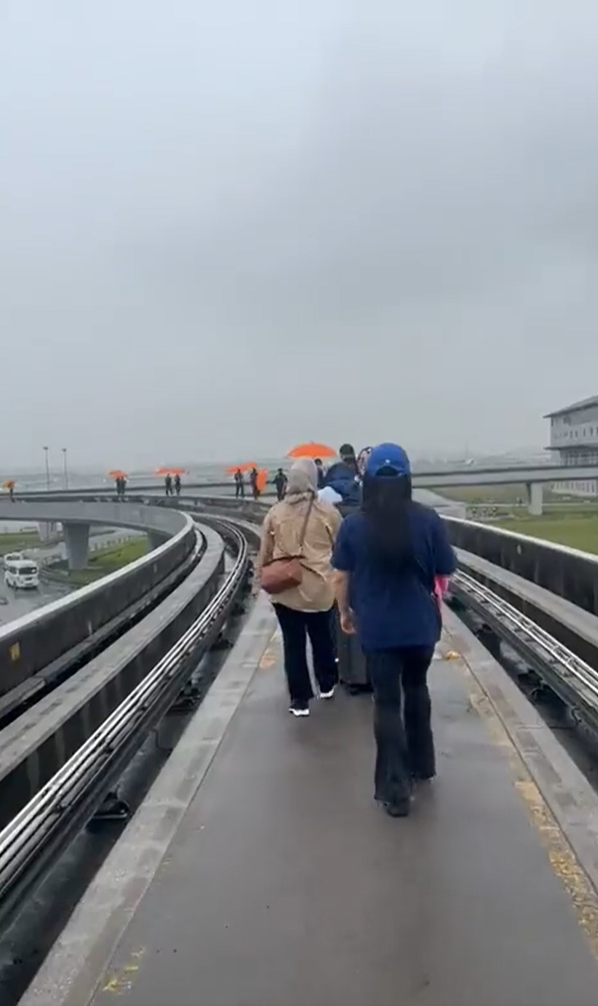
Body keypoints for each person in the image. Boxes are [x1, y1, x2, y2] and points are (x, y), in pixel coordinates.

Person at [331, 442, 456, 817]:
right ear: (407, 480)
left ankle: (395, 789)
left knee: (387, 703)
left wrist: (345, 612)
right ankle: (422, 765)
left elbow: (340, 577)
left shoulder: (353, 525)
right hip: (420, 626)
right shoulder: (428, 519)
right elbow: (444, 569)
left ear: (367, 480)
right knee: (417, 689)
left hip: (379, 629)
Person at [256, 458, 342, 716]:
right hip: (320, 589)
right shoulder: (328, 511)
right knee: (322, 638)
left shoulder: (275, 512)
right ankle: (326, 683)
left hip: (286, 590)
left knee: (293, 645)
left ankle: (299, 700)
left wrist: (258, 580)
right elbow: (341, 547)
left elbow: (265, 553)